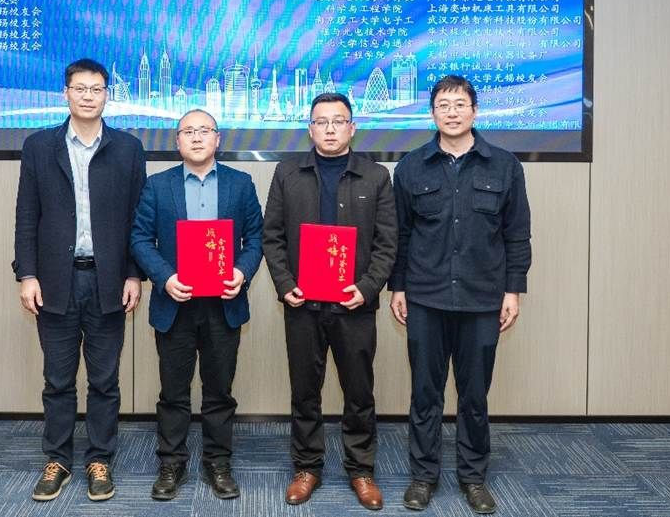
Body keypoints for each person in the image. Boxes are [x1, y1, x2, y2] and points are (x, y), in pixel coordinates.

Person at [389, 75, 532, 515]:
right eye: (443, 105)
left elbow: (517, 234)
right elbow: (400, 235)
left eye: (459, 104)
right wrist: (397, 287)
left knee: (474, 396)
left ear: (475, 110)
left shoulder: (505, 166)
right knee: (425, 393)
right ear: (432, 113)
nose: (451, 112)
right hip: (425, 297)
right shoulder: (410, 167)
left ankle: (473, 477)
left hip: (482, 299)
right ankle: (423, 476)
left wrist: (513, 290)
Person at [13, 57, 147, 502]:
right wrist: (27, 274)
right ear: (65, 94)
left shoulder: (127, 148)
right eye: (80, 89)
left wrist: (134, 274)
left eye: (96, 89)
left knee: (105, 380)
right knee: (58, 379)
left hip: (109, 281)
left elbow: (138, 220)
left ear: (107, 95)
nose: (88, 96)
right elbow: (27, 215)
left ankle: (99, 459)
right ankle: (58, 459)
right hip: (55, 281)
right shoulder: (39, 146)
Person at [263, 92, 397, 511]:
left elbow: (387, 243)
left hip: (354, 305)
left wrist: (368, 288)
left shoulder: (376, 176)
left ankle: (361, 469)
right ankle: (307, 467)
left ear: (352, 128)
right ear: (310, 129)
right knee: (305, 391)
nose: (330, 129)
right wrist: (285, 284)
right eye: (321, 122)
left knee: (359, 391)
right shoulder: (288, 173)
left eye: (338, 121)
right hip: (302, 304)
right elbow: (272, 236)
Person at [130, 109, 264, 501]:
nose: (197, 137)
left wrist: (241, 272)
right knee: (173, 392)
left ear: (217, 139)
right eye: (188, 131)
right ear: (178, 141)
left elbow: (256, 238)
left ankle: (218, 462)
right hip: (176, 304)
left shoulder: (240, 184)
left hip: (223, 304)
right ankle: (171, 463)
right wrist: (165, 277)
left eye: (204, 131)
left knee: (219, 390)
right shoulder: (158, 186)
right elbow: (140, 239)